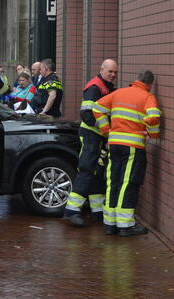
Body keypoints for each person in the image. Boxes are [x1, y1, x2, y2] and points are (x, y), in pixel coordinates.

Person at [93, 70, 161, 236]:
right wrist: (152, 134)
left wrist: (106, 130)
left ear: (136, 80)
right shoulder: (147, 97)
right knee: (128, 183)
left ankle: (110, 224)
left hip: (114, 144)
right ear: (150, 85)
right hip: (133, 146)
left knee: (113, 181)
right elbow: (153, 117)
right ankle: (125, 226)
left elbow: (97, 107)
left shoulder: (119, 93)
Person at [63, 59, 119, 227]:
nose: (113, 75)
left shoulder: (106, 87)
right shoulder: (95, 88)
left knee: (97, 172)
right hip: (91, 136)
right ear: (102, 70)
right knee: (87, 170)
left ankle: (98, 212)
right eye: (110, 71)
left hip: (99, 137)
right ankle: (71, 212)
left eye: (115, 72)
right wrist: (105, 129)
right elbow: (86, 115)